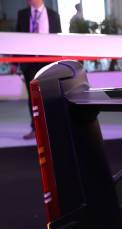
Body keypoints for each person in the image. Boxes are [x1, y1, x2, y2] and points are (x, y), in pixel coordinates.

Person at [16, 0, 61, 140]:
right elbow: (17, 38)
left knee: (50, 96)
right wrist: (15, 62)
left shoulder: (53, 15)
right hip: (29, 62)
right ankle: (35, 129)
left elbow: (59, 38)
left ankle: (53, 128)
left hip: (48, 61)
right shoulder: (22, 14)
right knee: (33, 97)